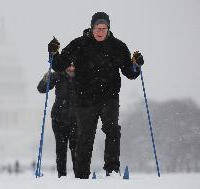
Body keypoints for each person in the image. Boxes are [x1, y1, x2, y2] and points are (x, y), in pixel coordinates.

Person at [48, 12, 144, 179]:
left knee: (112, 130)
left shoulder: (118, 46)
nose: (100, 32)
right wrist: (53, 53)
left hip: (110, 97)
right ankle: (81, 174)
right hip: (85, 98)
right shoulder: (79, 44)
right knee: (85, 135)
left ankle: (112, 170)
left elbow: (130, 72)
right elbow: (59, 65)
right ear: (91, 28)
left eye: (104, 28)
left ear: (108, 29)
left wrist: (136, 65)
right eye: (97, 28)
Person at [37, 63, 77, 178]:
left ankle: (79, 175)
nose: (71, 68)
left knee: (76, 149)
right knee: (60, 149)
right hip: (59, 118)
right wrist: (46, 79)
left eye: (74, 66)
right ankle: (61, 175)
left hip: (76, 119)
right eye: (69, 65)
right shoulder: (57, 76)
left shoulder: (82, 77)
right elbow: (41, 89)